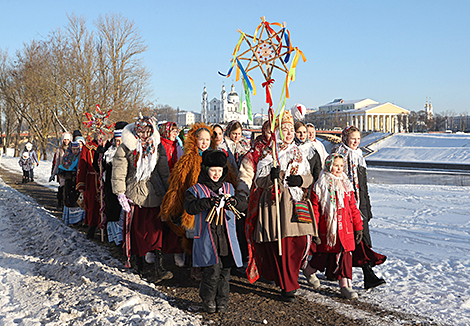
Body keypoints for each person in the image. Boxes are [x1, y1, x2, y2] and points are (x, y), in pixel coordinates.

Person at [247, 111, 318, 302]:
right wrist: (272, 177)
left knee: (300, 242)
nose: (288, 134)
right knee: (283, 245)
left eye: (290, 130)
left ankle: (290, 278)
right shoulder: (270, 153)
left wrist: (301, 180)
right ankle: (288, 284)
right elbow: (258, 181)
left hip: (295, 202)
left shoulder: (299, 153)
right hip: (275, 205)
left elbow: (310, 177)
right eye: (284, 130)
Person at [183, 149, 246, 313]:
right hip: (207, 237)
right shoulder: (197, 189)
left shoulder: (228, 187)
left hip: (226, 237)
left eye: (219, 170)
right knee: (212, 271)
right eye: (213, 170)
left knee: (225, 270)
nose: (216, 174)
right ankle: (208, 300)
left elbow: (243, 204)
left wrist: (233, 201)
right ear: (206, 169)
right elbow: (190, 207)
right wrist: (207, 202)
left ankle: (222, 301)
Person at [112, 116, 172, 283]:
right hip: (135, 193)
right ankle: (137, 264)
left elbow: (164, 171)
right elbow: (119, 171)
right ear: (136, 131)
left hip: (155, 191)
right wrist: (120, 193)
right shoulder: (126, 148)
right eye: (141, 131)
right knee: (138, 231)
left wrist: (169, 191)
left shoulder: (157, 147)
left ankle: (158, 268)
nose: (144, 135)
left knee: (156, 231)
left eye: (147, 131)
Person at [332, 126, 386, 289]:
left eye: (358, 138)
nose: (356, 141)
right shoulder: (339, 155)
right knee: (355, 240)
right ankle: (365, 274)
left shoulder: (359, 156)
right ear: (345, 138)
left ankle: (366, 274)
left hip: (360, 204)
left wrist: (367, 207)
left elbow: (363, 185)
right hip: (346, 203)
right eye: (352, 138)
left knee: (364, 239)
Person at [304, 153, 364, 299]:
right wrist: (315, 230)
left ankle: (345, 285)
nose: (339, 169)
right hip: (329, 228)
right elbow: (316, 210)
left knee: (345, 254)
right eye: (336, 165)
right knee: (324, 255)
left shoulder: (346, 183)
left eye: (341, 166)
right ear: (329, 165)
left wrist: (358, 226)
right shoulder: (320, 185)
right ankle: (309, 269)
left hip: (346, 227)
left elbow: (353, 207)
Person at [93, 121, 127, 246]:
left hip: (124, 186)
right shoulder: (108, 150)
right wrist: (99, 154)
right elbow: (97, 167)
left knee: (122, 212)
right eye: (116, 140)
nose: (118, 143)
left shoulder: (129, 149)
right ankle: (114, 238)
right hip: (110, 186)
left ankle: (123, 239)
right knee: (112, 212)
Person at [158, 121, 185, 267]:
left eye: (176, 131)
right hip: (162, 185)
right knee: (160, 220)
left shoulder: (177, 146)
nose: (175, 134)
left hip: (175, 186)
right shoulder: (159, 145)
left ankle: (177, 252)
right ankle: (156, 251)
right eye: (172, 131)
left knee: (175, 219)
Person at [58, 141, 85, 225]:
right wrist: (68, 173)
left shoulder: (80, 156)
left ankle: (79, 220)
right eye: (74, 149)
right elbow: (62, 167)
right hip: (69, 181)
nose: (75, 151)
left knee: (77, 200)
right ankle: (71, 220)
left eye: (77, 149)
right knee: (69, 200)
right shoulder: (67, 156)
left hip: (77, 181)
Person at [51, 132, 72, 208]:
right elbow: (57, 162)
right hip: (62, 171)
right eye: (65, 139)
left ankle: (66, 203)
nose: (66, 141)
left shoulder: (72, 149)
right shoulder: (60, 149)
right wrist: (54, 173)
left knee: (68, 188)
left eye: (67, 139)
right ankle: (60, 201)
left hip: (70, 171)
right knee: (62, 186)